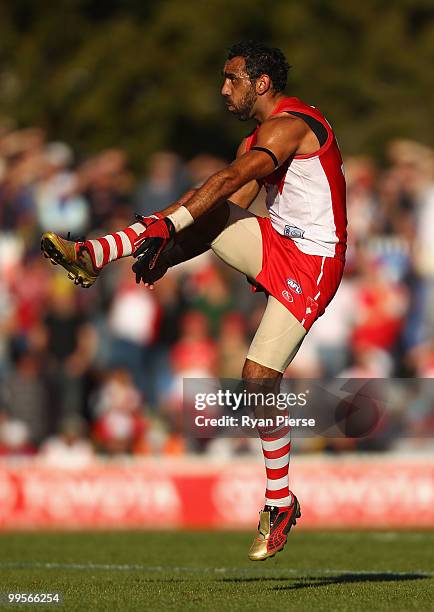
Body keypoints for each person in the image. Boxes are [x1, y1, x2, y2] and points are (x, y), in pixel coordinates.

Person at [41, 40, 347, 560]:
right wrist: (171, 251)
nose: (224, 88)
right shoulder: (258, 135)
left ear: (262, 83)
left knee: (256, 383)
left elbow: (229, 181)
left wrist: (168, 227)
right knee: (198, 209)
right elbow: (220, 213)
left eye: (233, 78)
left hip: (315, 263)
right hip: (279, 243)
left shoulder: (291, 125)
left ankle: (280, 501)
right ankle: (95, 252)